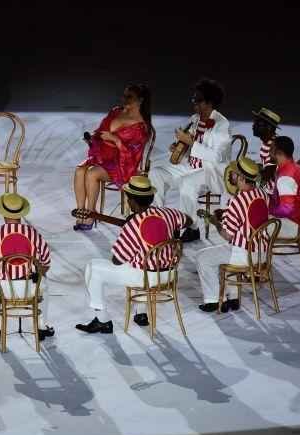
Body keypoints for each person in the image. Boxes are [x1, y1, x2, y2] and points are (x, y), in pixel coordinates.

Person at [76, 176, 191, 333]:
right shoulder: (168, 213)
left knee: (93, 268)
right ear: (150, 198)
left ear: (132, 201)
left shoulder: (133, 224)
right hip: (169, 273)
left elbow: (117, 260)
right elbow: (188, 221)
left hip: (146, 277)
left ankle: (102, 320)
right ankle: (141, 313)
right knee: (139, 259)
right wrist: (173, 235)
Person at [149, 78, 231, 242]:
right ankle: (158, 220)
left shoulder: (222, 125)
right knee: (156, 174)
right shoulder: (195, 119)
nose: (194, 103)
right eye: (194, 99)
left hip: (211, 172)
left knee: (188, 183)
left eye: (198, 100)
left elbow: (216, 157)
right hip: (191, 166)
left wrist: (190, 143)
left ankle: (191, 227)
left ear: (209, 103)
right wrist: (180, 147)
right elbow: (190, 146)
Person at [72, 83, 151, 230]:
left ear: (140, 100)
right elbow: (100, 133)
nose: (125, 99)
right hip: (103, 157)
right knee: (79, 170)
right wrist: (93, 141)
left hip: (123, 165)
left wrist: (115, 140)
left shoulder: (141, 127)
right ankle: (81, 212)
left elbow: (133, 156)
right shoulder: (115, 111)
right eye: (124, 95)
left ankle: (90, 216)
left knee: (91, 173)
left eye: (130, 97)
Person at [0, 192, 53, 341]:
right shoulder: (33, 233)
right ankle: (42, 325)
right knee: (45, 281)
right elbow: (47, 263)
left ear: (3, 213)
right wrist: (37, 275)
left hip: (2, 290)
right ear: (21, 213)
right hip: (31, 290)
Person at [195, 157, 269, 312]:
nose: (232, 175)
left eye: (235, 173)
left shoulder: (237, 201)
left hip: (245, 255)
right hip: (262, 252)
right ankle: (233, 298)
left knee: (203, 257)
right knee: (228, 250)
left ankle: (213, 300)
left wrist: (215, 223)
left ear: (241, 178)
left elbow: (228, 235)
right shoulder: (262, 194)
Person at [268, 136, 300, 238]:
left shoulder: (286, 177)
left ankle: (255, 253)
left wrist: (267, 208)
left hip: (292, 226)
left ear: (279, 152)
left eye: (272, 150)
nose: (269, 153)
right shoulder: (292, 167)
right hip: (294, 221)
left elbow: (287, 209)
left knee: (251, 220)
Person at [251, 107, 281, 195]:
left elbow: (268, 175)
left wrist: (248, 173)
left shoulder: (272, 146)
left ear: (269, 127)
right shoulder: (269, 142)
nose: (253, 125)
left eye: (258, 123)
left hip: (273, 194)